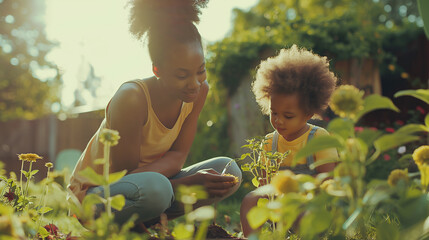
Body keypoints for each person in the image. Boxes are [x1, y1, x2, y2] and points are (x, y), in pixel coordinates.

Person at [68, 0, 241, 227]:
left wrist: (181, 182)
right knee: (156, 189)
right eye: (182, 75)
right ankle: (123, 227)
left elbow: (178, 155)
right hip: (97, 195)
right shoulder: (132, 98)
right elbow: (125, 175)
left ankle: (141, 225)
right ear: (156, 69)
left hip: (151, 186)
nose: (194, 84)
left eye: (201, 70)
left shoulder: (200, 91)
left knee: (227, 170)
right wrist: (182, 185)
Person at [240, 45, 338, 237]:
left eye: (288, 115)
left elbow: (328, 184)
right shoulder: (269, 143)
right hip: (278, 206)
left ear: (308, 112)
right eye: (274, 113)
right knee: (249, 200)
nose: (278, 120)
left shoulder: (318, 138)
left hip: (311, 208)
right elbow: (264, 184)